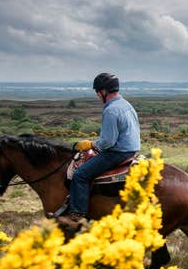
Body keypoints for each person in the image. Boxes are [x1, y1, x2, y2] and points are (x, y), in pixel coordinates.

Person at [57, 73, 140, 231]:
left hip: (116, 153)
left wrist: (91, 144)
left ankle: (77, 215)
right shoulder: (125, 104)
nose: (97, 96)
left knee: (80, 174)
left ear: (103, 91)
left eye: (97, 92)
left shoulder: (111, 110)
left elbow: (108, 141)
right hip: (131, 150)